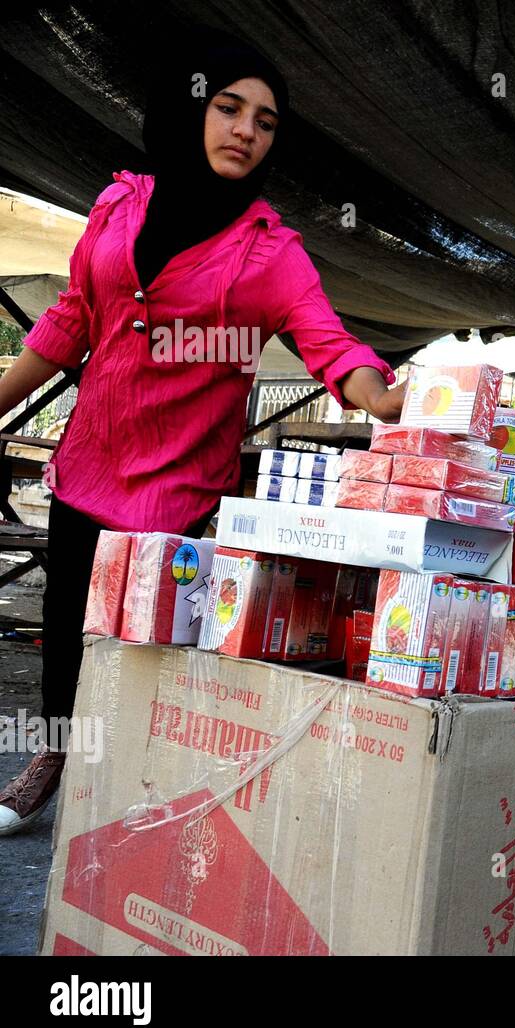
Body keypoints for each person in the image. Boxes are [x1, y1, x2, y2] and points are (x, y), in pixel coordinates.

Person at [0, 30, 405, 837]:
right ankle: (51, 759)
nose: (247, 131)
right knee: (69, 628)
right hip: (91, 461)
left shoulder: (270, 252)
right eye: (229, 108)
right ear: (193, 109)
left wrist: (385, 398)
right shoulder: (121, 206)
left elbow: (330, 344)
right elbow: (71, 318)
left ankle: (131, 790)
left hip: (179, 486)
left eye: (265, 122)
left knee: (148, 642)